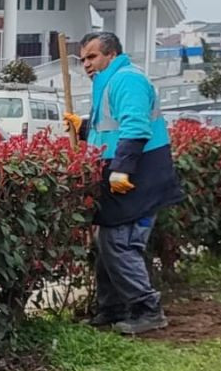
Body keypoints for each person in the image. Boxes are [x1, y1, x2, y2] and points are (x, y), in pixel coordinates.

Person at [65, 31, 184, 335]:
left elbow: (135, 127)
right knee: (107, 243)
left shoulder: (127, 79)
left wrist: (121, 170)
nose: (86, 64)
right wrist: (84, 128)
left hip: (136, 179)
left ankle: (147, 310)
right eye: (83, 59)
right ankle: (112, 308)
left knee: (120, 244)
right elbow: (111, 130)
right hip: (122, 176)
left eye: (92, 57)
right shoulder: (108, 83)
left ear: (112, 55)